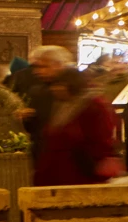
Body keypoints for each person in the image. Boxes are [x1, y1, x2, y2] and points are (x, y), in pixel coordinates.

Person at [30, 52, 122, 185]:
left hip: (80, 170)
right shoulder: (61, 103)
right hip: (57, 170)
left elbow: (101, 138)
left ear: (72, 85)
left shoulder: (94, 105)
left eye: (60, 85)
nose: (55, 89)